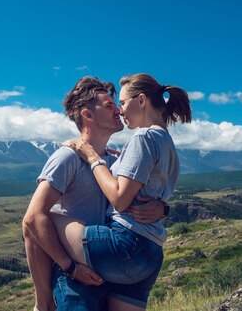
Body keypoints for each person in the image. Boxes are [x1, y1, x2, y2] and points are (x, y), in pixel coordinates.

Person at [22, 77, 167, 311]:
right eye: (109, 106)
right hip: (73, 276)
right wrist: (69, 269)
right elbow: (33, 219)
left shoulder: (115, 160)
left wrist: (163, 209)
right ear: (88, 115)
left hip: (107, 267)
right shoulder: (67, 157)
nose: (119, 110)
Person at [57, 73, 191, 311]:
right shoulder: (166, 142)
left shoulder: (144, 136)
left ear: (141, 100)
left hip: (125, 245)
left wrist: (91, 156)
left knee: (46, 216)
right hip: (151, 254)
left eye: (123, 103)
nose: (120, 111)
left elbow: (120, 200)